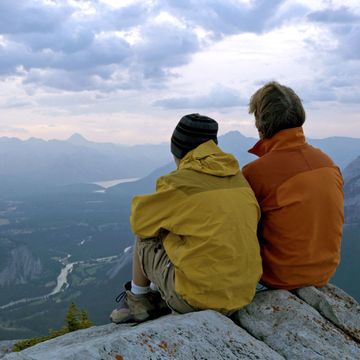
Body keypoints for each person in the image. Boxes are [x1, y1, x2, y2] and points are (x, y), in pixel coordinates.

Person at [110, 113, 262, 324]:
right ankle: (162, 294)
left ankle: (138, 302)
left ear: (178, 150)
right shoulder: (239, 180)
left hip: (198, 299)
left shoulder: (179, 183)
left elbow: (139, 222)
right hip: (243, 293)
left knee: (148, 234)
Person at [242, 81, 344, 290]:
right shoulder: (327, 163)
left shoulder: (256, 172)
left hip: (278, 276)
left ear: (261, 124)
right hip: (324, 273)